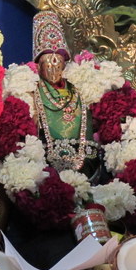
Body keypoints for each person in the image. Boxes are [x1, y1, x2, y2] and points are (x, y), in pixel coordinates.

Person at [31, 11, 99, 179]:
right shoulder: (31, 90)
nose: (54, 70)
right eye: (48, 65)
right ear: (38, 67)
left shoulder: (78, 89)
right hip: (44, 169)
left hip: (85, 167)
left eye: (58, 65)